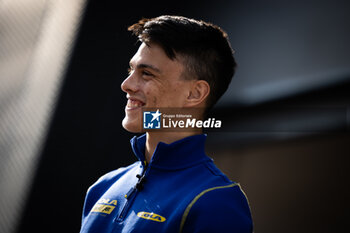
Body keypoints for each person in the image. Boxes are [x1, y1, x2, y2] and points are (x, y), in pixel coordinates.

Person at [79, 15, 253, 233]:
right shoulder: (103, 186)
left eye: (147, 74)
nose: (127, 85)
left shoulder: (217, 201)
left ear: (194, 93)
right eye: (131, 70)